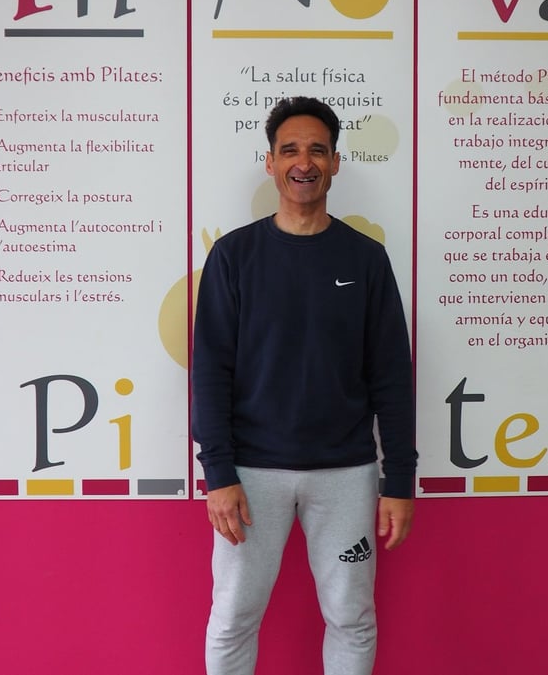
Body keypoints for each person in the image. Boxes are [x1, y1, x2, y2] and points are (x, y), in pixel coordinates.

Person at [191, 96, 416, 675]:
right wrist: (218, 474)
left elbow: (392, 377)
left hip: (346, 474)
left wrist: (399, 481)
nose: (304, 161)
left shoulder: (366, 260)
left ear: (336, 162)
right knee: (233, 616)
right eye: (289, 149)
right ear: (270, 162)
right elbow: (210, 372)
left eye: (318, 150)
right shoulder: (233, 256)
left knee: (351, 617)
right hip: (250, 475)